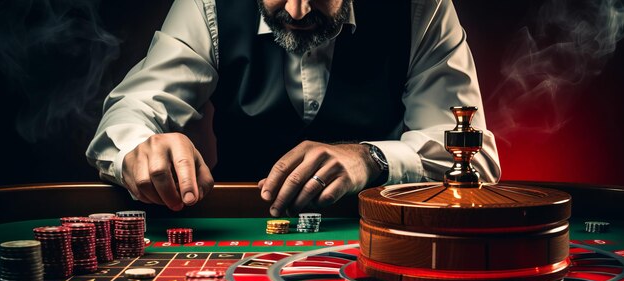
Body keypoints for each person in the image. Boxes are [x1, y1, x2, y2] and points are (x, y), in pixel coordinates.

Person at [86, 0, 501, 216]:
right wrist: (141, 148)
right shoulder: (208, 6)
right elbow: (130, 112)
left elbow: (474, 159)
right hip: (236, 239)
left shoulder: (420, 9)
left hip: (382, 234)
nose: (297, 10)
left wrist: (372, 158)